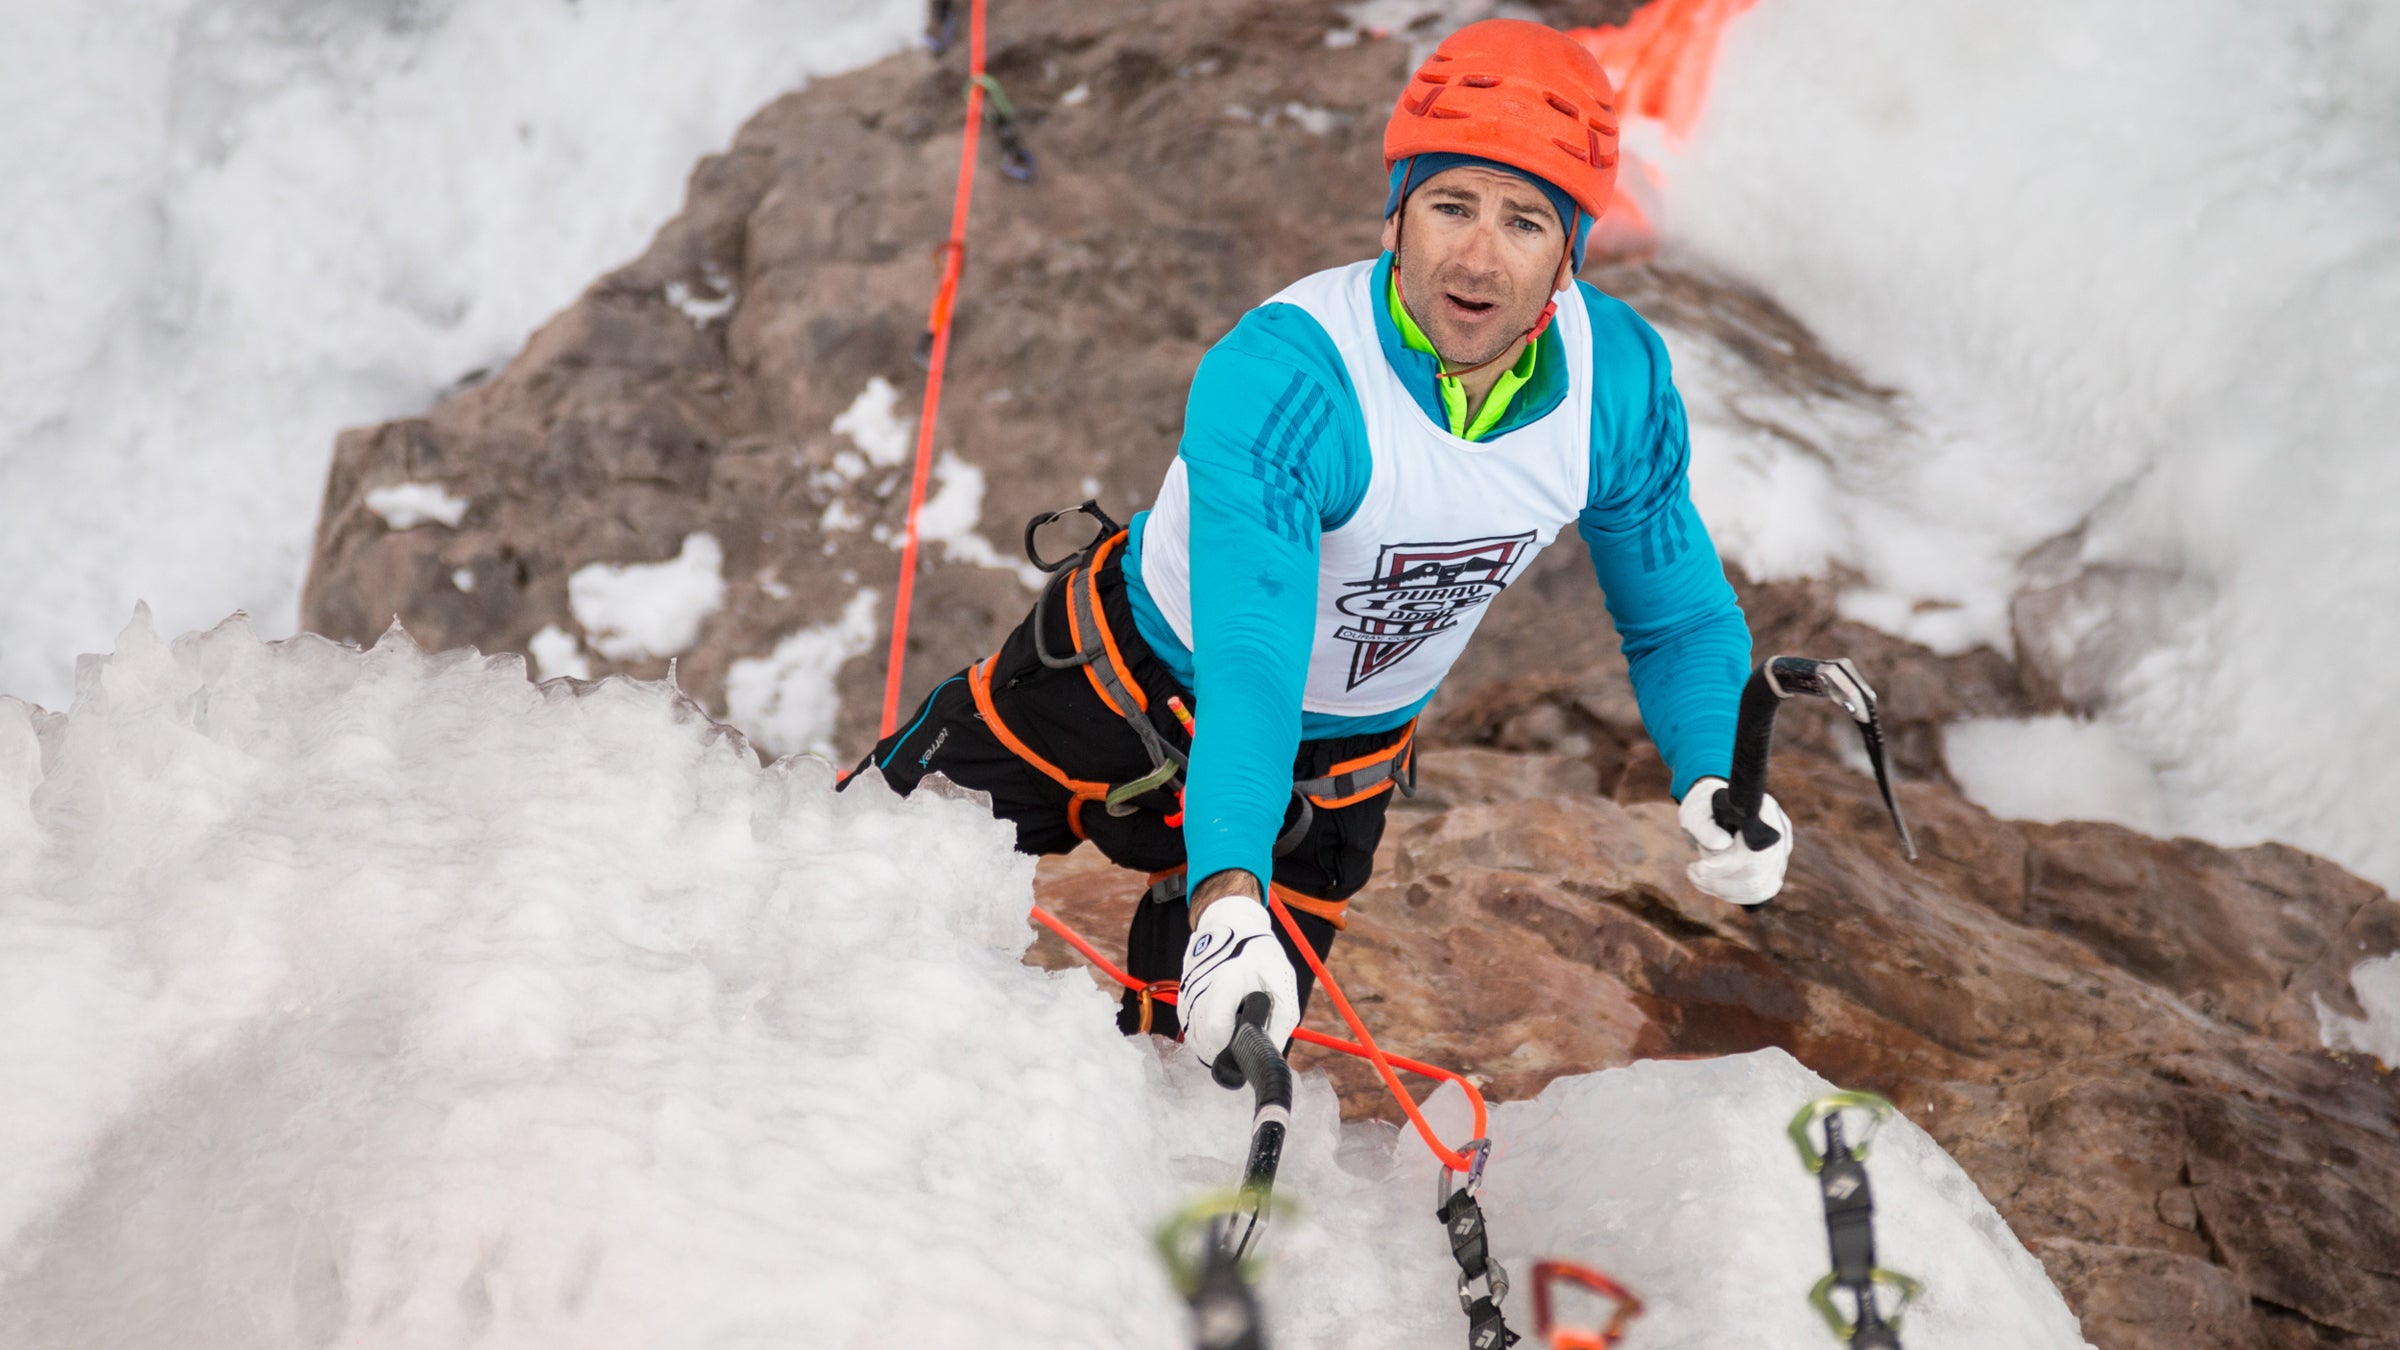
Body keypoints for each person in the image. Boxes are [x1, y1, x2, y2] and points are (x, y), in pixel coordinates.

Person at [861, 18, 1792, 1077]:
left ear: (1571, 250)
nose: (1477, 258)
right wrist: (1227, 893)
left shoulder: (1616, 386)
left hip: (1336, 771)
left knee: (1202, 1087)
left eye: (1526, 221)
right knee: (841, 881)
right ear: (1398, 211)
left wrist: (1723, 775)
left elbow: (1675, 618)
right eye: (1450, 205)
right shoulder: (1293, 380)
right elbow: (1253, 665)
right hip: (1112, 693)